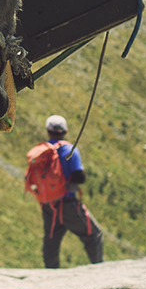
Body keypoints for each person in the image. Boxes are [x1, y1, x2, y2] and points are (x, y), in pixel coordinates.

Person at [40, 114, 103, 269]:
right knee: (94, 234)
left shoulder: (43, 151)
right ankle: (99, 269)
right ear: (65, 131)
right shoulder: (70, 149)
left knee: (51, 239)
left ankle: (51, 272)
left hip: (48, 203)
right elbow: (79, 176)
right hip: (67, 202)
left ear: (48, 131)